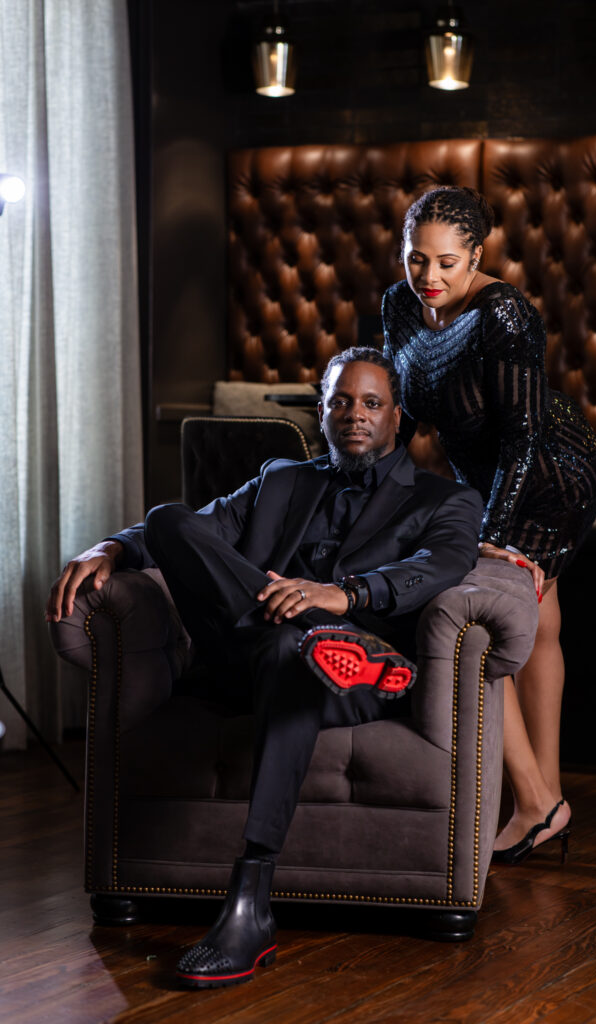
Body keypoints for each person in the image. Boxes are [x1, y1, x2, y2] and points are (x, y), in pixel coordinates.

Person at [46, 348, 482, 988]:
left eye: (370, 403)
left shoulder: (446, 499)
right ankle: (316, 635)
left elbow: (441, 567)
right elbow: (196, 531)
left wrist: (347, 594)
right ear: (322, 410)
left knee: (292, 656)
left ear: (398, 417)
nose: (352, 415)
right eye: (338, 401)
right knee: (171, 522)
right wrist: (111, 547)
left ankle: (250, 906)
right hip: (237, 657)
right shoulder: (283, 478)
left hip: (345, 679)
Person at [382, 186, 596, 866]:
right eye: (415, 259)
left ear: (476, 254)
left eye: (447, 263)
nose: (429, 278)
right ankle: (546, 800)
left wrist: (492, 532)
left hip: (549, 474)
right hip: (479, 480)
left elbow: (521, 440)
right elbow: (404, 411)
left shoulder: (504, 311)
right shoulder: (401, 305)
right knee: (537, 626)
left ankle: (535, 802)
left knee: (489, 614)